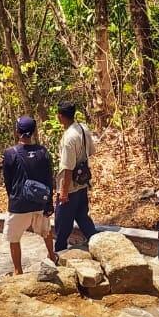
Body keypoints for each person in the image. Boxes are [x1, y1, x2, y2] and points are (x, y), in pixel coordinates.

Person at [1, 116, 58, 274]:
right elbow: (48, 178)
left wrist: (13, 198)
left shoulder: (10, 153)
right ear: (34, 132)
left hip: (19, 204)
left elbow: (8, 181)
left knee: (14, 238)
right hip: (40, 201)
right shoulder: (43, 152)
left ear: (18, 131)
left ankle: (18, 270)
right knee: (45, 231)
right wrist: (49, 203)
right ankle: (52, 257)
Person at [54, 101, 98, 250]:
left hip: (70, 187)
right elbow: (91, 151)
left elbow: (67, 169)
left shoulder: (68, 138)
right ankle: (96, 243)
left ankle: (59, 251)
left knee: (62, 223)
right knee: (82, 216)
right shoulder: (83, 128)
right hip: (82, 181)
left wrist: (64, 193)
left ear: (60, 116)